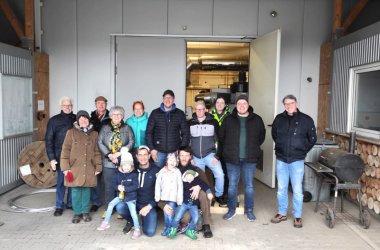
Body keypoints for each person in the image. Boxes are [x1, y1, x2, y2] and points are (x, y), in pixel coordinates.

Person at [270, 94, 317, 228]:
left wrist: (302, 150)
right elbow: (274, 135)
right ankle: (282, 213)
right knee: (281, 189)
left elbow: (312, 138)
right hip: (282, 159)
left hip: (297, 160)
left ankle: (297, 216)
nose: (288, 106)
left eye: (291, 103)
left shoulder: (306, 120)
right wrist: (281, 146)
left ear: (296, 103)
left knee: (297, 190)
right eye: (286, 104)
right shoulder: (279, 119)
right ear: (284, 105)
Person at [219, 94, 266, 222]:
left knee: (249, 186)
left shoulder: (257, 119)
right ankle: (231, 209)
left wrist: (253, 148)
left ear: (248, 105)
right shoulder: (228, 120)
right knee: (232, 185)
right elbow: (221, 137)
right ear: (236, 106)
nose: (241, 106)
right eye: (239, 104)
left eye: (244, 104)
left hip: (249, 159)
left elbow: (261, 137)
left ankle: (249, 210)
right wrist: (228, 150)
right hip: (232, 159)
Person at [60, 110, 102, 223]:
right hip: (74, 167)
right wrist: (65, 168)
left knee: (86, 190)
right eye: (81, 119)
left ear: (89, 120)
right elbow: (65, 151)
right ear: (77, 121)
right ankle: (77, 213)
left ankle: (85, 212)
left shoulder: (94, 134)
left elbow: (97, 151)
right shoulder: (71, 132)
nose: (83, 121)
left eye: (85, 118)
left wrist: (98, 167)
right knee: (76, 191)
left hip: (89, 167)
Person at [98, 106, 135, 218]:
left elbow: (132, 141)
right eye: (114, 114)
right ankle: (108, 208)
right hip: (108, 161)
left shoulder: (127, 128)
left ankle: (121, 208)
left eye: (119, 114)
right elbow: (100, 142)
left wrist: (119, 153)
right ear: (110, 116)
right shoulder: (104, 128)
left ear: (123, 116)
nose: (116, 116)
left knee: (123, 185)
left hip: (123, 161)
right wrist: (109, 154)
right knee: (109, 186)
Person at [116, 145, 160, 237]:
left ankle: (142, 218)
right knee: (120, 206)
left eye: (145, 155)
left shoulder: (156, 171)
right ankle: (131, 220)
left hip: (147, 204)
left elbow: (160, 193)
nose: (142, 157)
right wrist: (119, 187)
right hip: (132, 201)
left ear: (149, 156)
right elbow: (119, 180)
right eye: (140, 155)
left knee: (149, 232)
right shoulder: (131, 169)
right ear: (136, 156)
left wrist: (149, 206)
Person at [97, 149, 141, 239]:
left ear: (132, 165)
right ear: (121, 165)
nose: (127, 167)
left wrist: (125, 188)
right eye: (125, 165)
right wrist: (118, 187)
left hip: (131, 198)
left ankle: (137, 229)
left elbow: (136, 186)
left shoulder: (133, 175)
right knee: (111, 204)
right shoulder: (117, 174)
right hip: (121, 197)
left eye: (129, 165)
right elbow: (113, 184)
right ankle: (106, 222)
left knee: (133, 213)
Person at [189, 100, 226, 206]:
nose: (199, 111)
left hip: (210, 155)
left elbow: (220, 140)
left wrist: (217, 156)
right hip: (196, 157)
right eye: (197, 109)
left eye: (201, 109)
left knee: (220, 175)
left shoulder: (213, 122)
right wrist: (190, 157)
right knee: (198, 178)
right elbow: (187, 141)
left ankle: (218, 196)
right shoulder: (190, 123)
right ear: (195, 110)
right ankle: (203, 198)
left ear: (205, 109)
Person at [45, 96, 76, 216]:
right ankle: (59, 205)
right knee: (61, 182)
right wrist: (52, 158)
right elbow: (48, 140)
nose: (67, 107)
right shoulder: (54, 121)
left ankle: (70, 203)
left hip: (74, 156)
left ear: (72, 106)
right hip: (60, 156)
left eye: (69, 105)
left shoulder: (76, 119)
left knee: (72, 180)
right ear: (61, 106)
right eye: (65, 105)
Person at [146, 89, 190, 168]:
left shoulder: (180, 114)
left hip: (174, 152)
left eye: (170, 98)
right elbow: (149, 132)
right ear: (162, 99)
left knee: (173, 175)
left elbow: (186, 133)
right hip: (158, 152)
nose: (168, 100)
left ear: (173, 100)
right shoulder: (155, 113)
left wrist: (181, 149)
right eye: (166, 98)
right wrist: (152, 149)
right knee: (157, 175)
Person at [167, 169, 213, 240]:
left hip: (193, 205)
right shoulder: (182, 183)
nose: (189, 177)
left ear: (194, 176)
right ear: (184, 177)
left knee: (196, 218)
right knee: (178, 216)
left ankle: (190, 230)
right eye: (187, 175)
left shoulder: (197, 181)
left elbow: (205, 185)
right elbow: (176, 190)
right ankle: (173, 228)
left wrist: (209, 192)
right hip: (184, 203)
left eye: (191, 175)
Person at [89, 95, 110, 212]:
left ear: (106, 104)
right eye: (98, 103)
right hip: (94, 151)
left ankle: (109, 202)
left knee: (107, 178)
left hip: (107, 151)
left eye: (103, 103)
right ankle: (96, 202)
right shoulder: (91, 117)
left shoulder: (111, 116)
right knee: (95, 177)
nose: (101, 105)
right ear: (95, 105)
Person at [155, 153, 183, 236]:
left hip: (173, 197)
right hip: (164, 197)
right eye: (171, 160)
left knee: (170, 213)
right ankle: (168, 227)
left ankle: (172, 228)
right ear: (167, 161)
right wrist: (157, 196)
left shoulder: (177, 171)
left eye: (175, 161)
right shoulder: (162, 171)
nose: (173, 162)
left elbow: (180, 185)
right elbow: (158, 184)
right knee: (166, 213)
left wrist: (179, 198)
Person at [211, 96, 231, 203]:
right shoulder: (209, 116)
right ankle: (218, 193)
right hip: (214, 148)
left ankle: (226, 193)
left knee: (226, 171)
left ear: (225, 104)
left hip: (226, 147)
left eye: (222, 102)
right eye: (218, 102)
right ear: (215, 104)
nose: (219, 104)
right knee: (217, 172)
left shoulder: (229, 116)